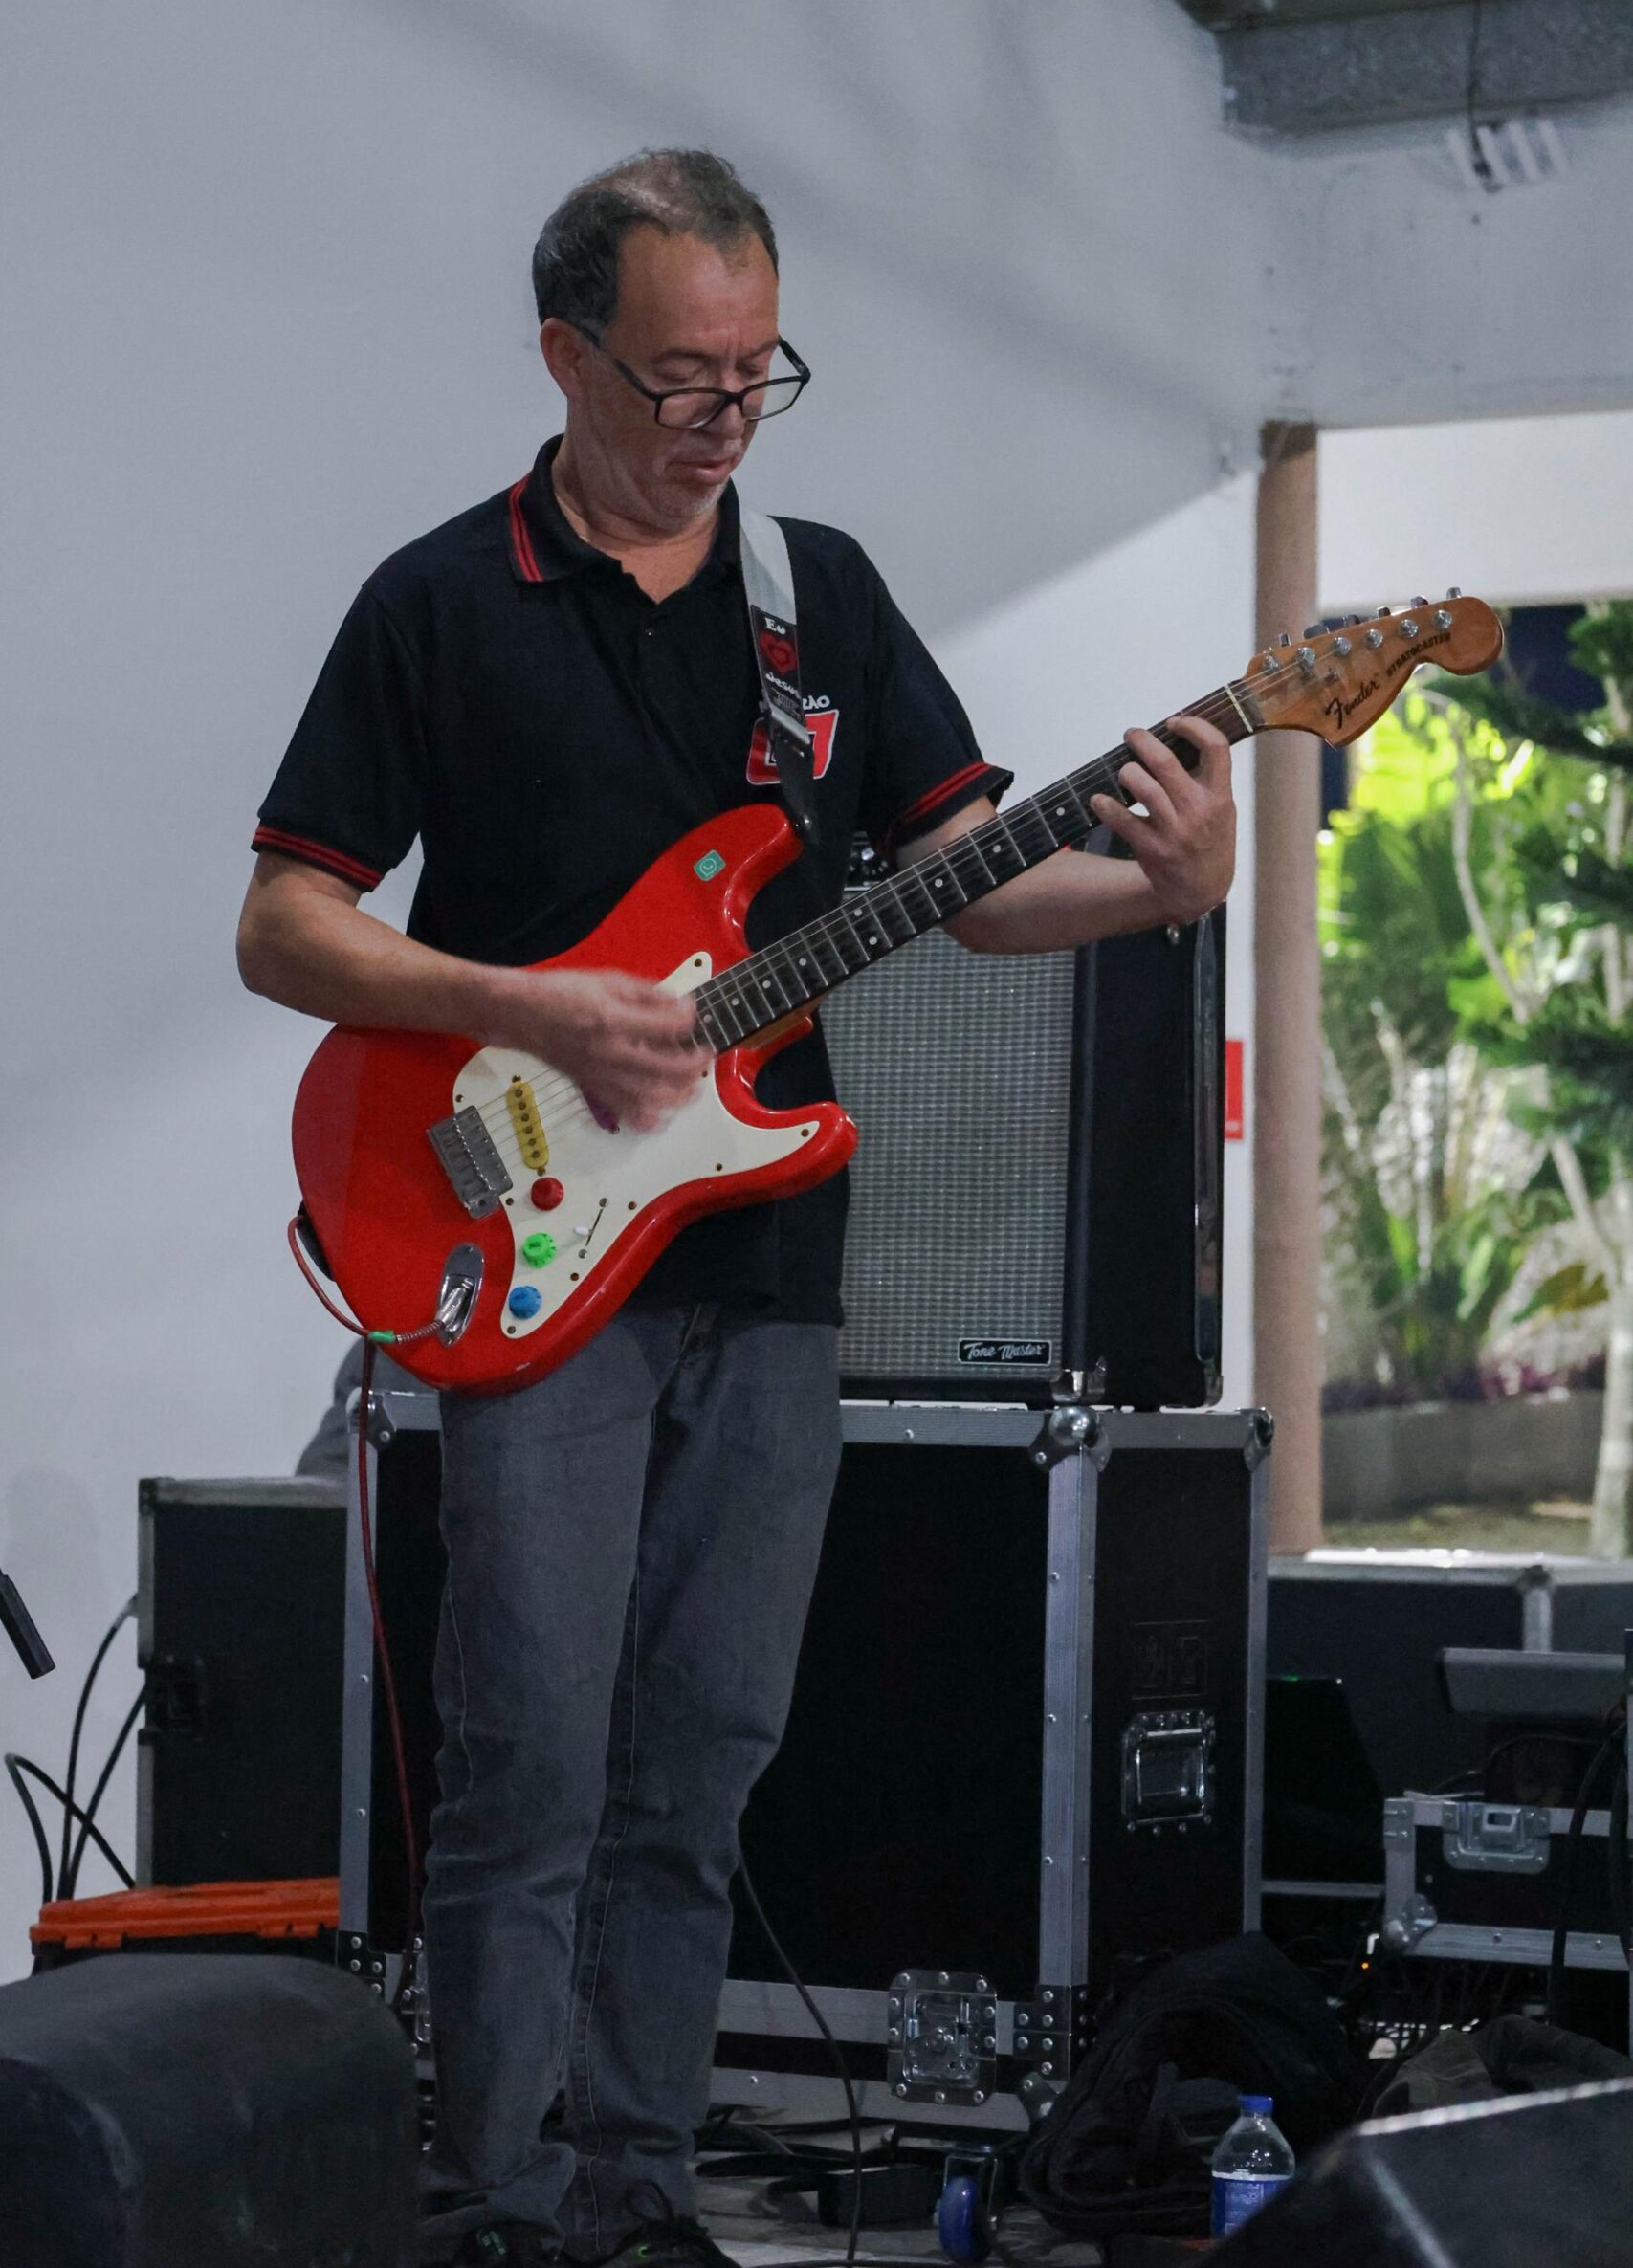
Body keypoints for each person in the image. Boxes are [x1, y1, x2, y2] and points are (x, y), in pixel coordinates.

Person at [237, 149, 1236, 2268]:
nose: (723, 413)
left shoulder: (820, 601)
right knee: (529, 1758)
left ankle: (635, 2191)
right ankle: (503, 2203)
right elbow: (285, 922)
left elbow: (963, 883)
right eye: (681, 373)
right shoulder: (442, 599)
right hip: (527, 1248)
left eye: (758, 370)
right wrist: (533, 1007)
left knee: (702, 1756)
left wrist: (1160, 885)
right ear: (564, 352)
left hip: (769, 1267)